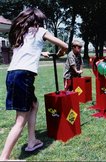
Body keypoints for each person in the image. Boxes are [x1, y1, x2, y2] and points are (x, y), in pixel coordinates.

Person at [0, 8, 68, 160]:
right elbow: (64, 45)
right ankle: (3, 158)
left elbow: (28, 51)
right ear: (37, 20)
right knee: (20, 119)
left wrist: (42, 52)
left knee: (34, 105)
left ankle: (32, 141)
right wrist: (60, 53)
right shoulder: (40, 31)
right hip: (23, 76)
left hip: (13, 74)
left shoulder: (21, 34)